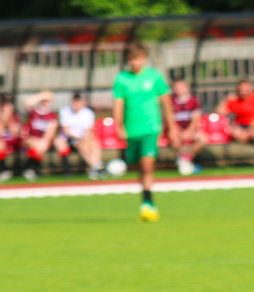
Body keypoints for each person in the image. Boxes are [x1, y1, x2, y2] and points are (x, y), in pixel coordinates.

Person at [112, 42, 178, 222]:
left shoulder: (153, 76)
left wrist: (171, 126)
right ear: (128, 60)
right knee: (138, 167)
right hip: (132, 130)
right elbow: (118, 104)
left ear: (144, 59)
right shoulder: (122, 79)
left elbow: (165, 101)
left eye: (138, 59)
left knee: (147, 164)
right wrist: (118, 126)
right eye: (132, 59)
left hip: (151, 128)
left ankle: (148, 203)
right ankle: (145, 199)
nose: (135, 62)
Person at [218, 78, 254, 167]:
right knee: (234, 133)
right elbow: (219, 113)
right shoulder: (235, 99)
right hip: (242, 126)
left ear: (250, 89)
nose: (243, 92)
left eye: (245, 89)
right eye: (241, 90)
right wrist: (226, 99)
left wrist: (248, 132)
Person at [56, 92, 104, 180]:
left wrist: (85, 139)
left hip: (84, 138)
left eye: (78, 102)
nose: (76, 104)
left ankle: (95, 167)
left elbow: (88, 131)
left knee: (94, 143)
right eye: (75, 102)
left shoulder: (88, 113)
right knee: (82, 146)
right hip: (69, 138)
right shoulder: (65, 111)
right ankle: (97, 167)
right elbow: (67, 131)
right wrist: (81, 139)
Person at [167, 78, 206, 175]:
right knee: (174, 140)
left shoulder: (193, 101)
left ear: (186, 87)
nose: (178, 89)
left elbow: (195, 119)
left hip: (190, 131)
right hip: (176, 131)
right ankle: (184, 161)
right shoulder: (170, 101)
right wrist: (177, 131)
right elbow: (169, 119)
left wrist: (189, 132)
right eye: (176, 87)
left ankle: (186, 158)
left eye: (180, 87)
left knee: (203, 139)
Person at [21, 91, 59, 182]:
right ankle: (33, 169)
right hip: (30, 138)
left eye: (48, 101)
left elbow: (50, 132)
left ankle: (32, 169)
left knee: (41, 146)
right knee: (34, 144)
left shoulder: (51, 115)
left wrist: (44, 141)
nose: (46, 102)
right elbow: (27, 103)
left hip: (42, 140)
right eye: (44, 100)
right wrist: (41, 96)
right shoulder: (34, 111)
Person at [0, 94, 21, 182]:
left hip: (15, 141)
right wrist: (3, 120)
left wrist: (8, 119)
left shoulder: (15, 116)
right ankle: (3, 169)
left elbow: (15, 133)